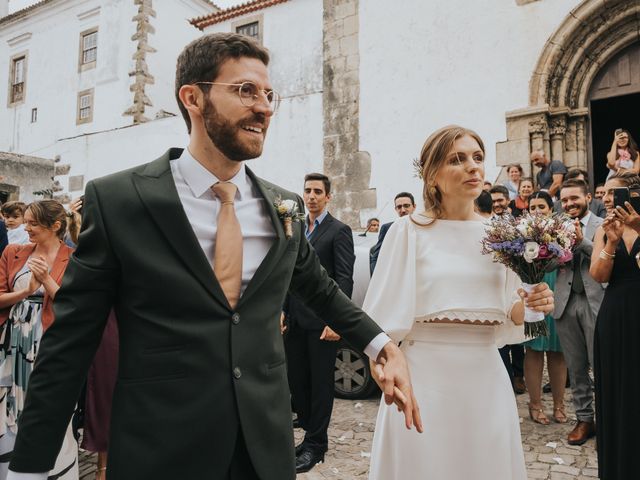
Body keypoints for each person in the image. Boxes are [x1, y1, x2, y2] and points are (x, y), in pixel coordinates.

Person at [5, 34, 420, 480]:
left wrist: (381, 345)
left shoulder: (284, 206)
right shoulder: (120, 200)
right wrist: (29, 468)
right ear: (193, 98)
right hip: (161, 448)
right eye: (245, 90)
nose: (264, 107)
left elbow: (319, 289)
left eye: (267, 94)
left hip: (262, 448)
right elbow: (71, 341)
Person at [364, 125, 554, 480]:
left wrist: (534, 303)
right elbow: (380, 319)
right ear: (432, 175)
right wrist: (382, 364)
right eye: (458, 159)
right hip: (424, 376)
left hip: (485, 377)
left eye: (478, 157)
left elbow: (512, 311)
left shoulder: (503, 235)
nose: (473, 166)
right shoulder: (408, 231)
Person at [0, 201, 76, 479]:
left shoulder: (75, 257)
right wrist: (26, 291)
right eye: (26, 222)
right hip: (12, 343)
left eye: (33, 223)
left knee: (48, 403)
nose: (26, 228)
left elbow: (77, 306)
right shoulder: (13, 252)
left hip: (52, 342)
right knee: (10, 404)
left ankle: (55, 469)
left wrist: (46, 281)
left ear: (55, 226)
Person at [284, 173, 354, 473]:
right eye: (307, 191)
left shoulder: (339, 230)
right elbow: (289, 275)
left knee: (321, 385)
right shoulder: (296, 228)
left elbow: (344, 278)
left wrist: (336, 320)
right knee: (297, 382)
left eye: (317, 191)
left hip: (323, 323)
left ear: (328, 196)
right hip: (295, 321)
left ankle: (316, 444)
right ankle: (311, 436)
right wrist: (283, 310)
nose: (311, 196)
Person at [590, 171, 640, 480]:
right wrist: (611, 242)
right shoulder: (603, 229)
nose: (607, 199)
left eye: (614, 193)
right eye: (606, 194)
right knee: (616, 392)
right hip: (616, 316)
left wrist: (636, 231)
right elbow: (598, 275)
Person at [553, 178, 604, 445]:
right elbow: (549, 265)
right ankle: (585, 420)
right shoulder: (556, 226)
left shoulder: (603, 224)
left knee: (602, 365)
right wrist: (548, 249)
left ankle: (608, 420)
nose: (570, 203)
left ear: (588, 197)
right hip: (565, 302)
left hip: (597, 301)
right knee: (576, 368)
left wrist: (581, 241)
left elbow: (608, 256)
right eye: (565, 200)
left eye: (575, 198)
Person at [523, 191, 567, 425]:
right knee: (534, 350)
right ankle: (535, 403)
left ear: (551, 209)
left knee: (558, 352)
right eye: (532, 207)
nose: (537, 211)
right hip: (534, 293)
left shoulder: (560, 232)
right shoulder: (520, 234)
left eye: (542, 206)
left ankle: (560, 404)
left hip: (558, 292)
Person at [369, 192, 416, 273]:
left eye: (406, 205)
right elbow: (376, 257)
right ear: (396, 209)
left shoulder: (423, 227)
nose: (403, 210)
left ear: (414, 206)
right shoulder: (387, 228)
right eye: (399, 207)